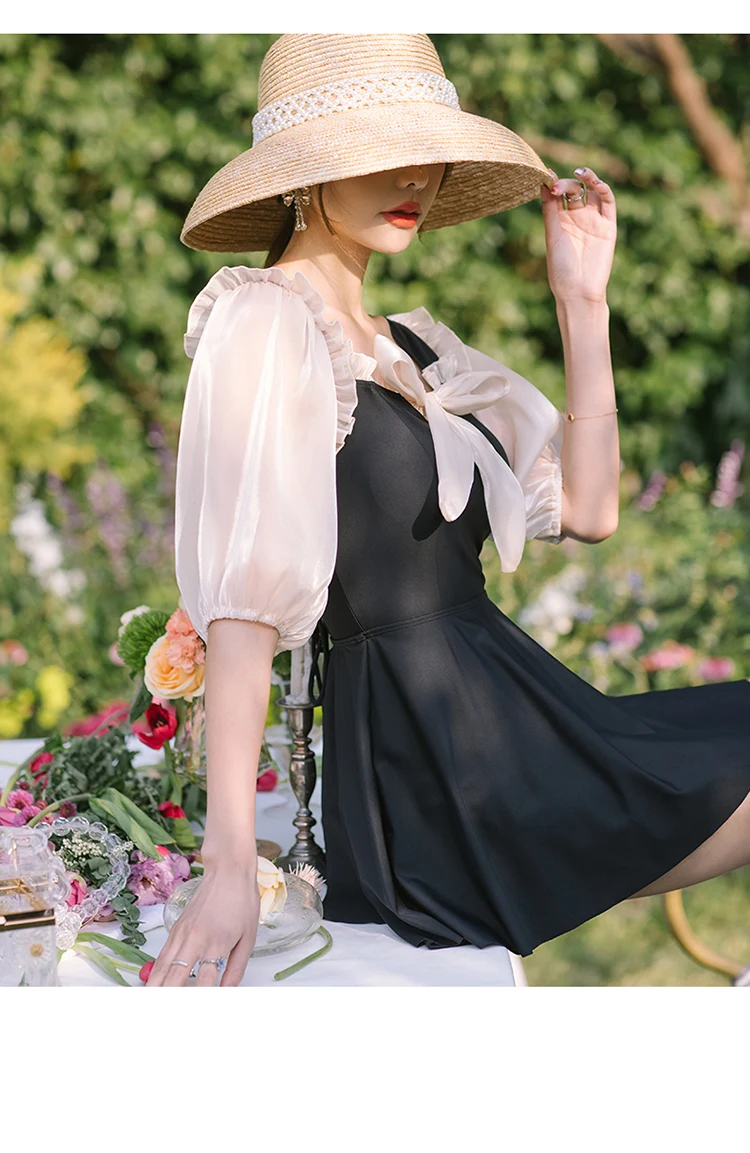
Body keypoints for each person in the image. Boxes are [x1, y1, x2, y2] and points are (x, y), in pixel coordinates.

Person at [147, 33, 750, 987]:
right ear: (307, 174)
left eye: (428, 152)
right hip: (432, 763)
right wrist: (228, 864)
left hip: (514, 713)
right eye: (383, 151)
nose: (416, 179)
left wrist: (581, 301)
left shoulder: (416, 352)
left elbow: (589, 508)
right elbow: (242, 609)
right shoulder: (266, 322)